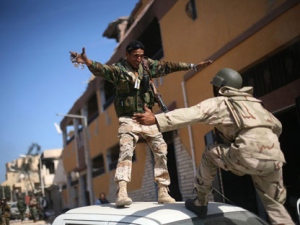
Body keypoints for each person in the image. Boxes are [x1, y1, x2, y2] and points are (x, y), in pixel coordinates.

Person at [132, 68, 294, 224]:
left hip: (246, 155)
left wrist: (156, 119)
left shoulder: (221, 103)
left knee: (210, 153)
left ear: (220, 87)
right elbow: (277, 127)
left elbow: (190, 114)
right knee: (275, 206)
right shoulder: (257, 105)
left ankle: (200, 202)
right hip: (275, 159)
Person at [69, 40, 212, 207]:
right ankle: (121, 191)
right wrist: (88, 62)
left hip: (147, 117)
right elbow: (104, 70)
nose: (138, 59)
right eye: (135, 56)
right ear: (127, 55)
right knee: (126, 151)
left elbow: (168, 66)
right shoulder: (119, 70)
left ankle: (163, 191)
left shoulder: (146, 65)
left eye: (141, 56)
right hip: (128, 118)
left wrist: (193, 66)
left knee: (161, 150)